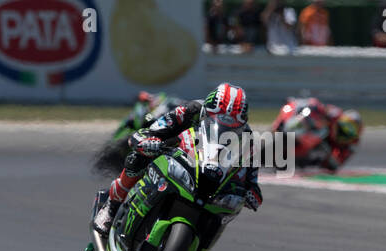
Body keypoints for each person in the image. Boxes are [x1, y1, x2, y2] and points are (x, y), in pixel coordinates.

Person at [93, 82, 263, 233]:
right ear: (206, 111)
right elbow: (153, 129)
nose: (225, 128)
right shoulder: (190, 110)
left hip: (211, 172)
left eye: (232, 126)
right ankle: (112, 205)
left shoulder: (246, 136)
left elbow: (251, 173)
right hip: (176, 153)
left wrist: (252, 191)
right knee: (138, 157)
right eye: (216, 119)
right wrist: (149, 140)